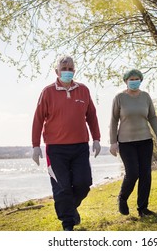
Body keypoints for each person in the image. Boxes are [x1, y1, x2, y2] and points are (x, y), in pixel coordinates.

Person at [31, 55, 101, 231]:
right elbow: (38, 119)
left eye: (70, 69)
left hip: (80, 147)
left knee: (83, 184)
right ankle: (68, 224)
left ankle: (70, 209)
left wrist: (97, 138)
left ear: (74, 70)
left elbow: (91, 115)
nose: (67, 72)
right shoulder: (47, 92)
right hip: (55, 150)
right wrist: (35, 146)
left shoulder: (83, 90)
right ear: (57, 71)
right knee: (62, 188)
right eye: (64, 69)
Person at [109, 68, 157, 217]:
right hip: (126, 142)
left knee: (146, 174)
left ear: (140, 80)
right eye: (131, 79)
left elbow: (152, 117)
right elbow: (114, 120)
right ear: (126, 81)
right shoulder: (119, 98)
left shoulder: (146, 97)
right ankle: (122, 198)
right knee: (132, 173)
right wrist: (113, 142)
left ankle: (143, 209)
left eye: (136, 79)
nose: (134, 81)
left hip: (145, 140)